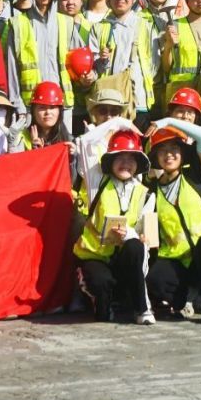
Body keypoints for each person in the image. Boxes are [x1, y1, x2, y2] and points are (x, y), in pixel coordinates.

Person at [73, 130, 158, 324]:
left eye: (131, 158)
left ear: (138, 164)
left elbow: (146, 234)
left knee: (136, 246)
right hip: (96, 257)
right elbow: (84, 141)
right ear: (110, 161)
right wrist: (122, 123)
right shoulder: (96, 184)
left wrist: (130, 235)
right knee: (102, 310)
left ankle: (142, 308)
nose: (125, 163)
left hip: (125, 259)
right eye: (119, 157)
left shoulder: (146, 194)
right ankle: (102, 301)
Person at [145, 126, 201, 323]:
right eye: (163, 151)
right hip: (178, 261)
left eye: (174, 149)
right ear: (156, 157)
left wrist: (169, 120)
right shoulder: (152, 191)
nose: (169, 155)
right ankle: (184, 301)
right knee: (156, 278)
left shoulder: (195, 175)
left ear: (182, 154)